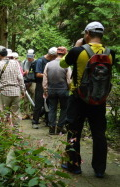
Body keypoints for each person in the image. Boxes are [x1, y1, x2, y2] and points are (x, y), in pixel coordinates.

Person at [60, 21, 115, 178]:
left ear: (87, 34)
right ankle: (99, 169)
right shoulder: (110, 53)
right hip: (99, 100)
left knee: (74, 132)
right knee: (99, 134)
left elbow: (63, 63)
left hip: (78, 99)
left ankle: (74, 166)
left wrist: (76, 46)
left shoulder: (78, 51)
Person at [42, 46, 72, 135]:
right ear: (65, 54)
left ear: (56, 54)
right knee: (64, 108)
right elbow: (69, 80)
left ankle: (51, 128)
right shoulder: (66, 65)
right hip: (63, 89)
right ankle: (60, 127)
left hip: (51, 89)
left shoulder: (49, 64)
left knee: (52, 108)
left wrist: (45, 89)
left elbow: (45, 78)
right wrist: (70, 89)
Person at [32, 47, 58, 129]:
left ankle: (48, 121)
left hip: (50, 85)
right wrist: (48, 75)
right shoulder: (40, 61)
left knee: (49, 103)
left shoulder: (53, 61)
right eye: (55, 56)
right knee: (39, 103)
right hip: (40, 84)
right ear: (51, 55)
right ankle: (35, 121)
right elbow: (38, 74)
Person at [21, 49, 37, 120]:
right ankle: (26, 113)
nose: (29, 58)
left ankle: (34, 114)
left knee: (34, 98)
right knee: (25, 99)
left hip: (33, 82)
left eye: (31, 57)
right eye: (28, 57)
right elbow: (20, 72)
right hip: (25, 81)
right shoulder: (24, 62)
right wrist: (24, 73)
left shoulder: (36, 62)